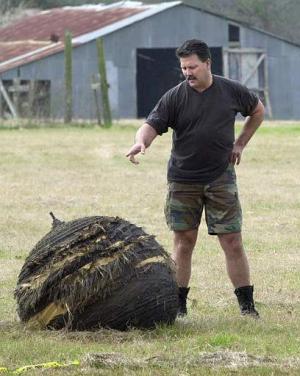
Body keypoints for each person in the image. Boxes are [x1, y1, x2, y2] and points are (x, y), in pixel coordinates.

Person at [126, 39, 264, 318]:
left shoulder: (231, 91)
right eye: (184, 68)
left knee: (232, 241)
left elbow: (257, 111)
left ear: (208, 63)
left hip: (220, 177)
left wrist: (240, 143)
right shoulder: (175, 96)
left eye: (192, 67)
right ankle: (178, 307)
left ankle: (247, 307)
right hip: (183, 180)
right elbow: (151, 125)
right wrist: (141, 142)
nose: (187, 73)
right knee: (184, 242)